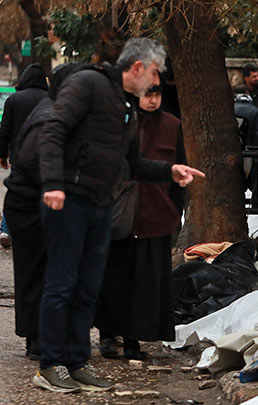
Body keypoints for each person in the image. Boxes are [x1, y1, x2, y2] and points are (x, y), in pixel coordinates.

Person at [34, 38, 205, 393]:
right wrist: (52, 183)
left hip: (100, 203)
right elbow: (53, 130)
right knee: (62, 283)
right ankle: (51, 364)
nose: (157, 80)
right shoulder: (89, 84)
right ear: (138, 67)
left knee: (87, 287)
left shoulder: (126, 104)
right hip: (67, 200)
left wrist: (168, 171)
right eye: (156, 71)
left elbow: (129, 163)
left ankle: (77, 362)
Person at [94, 84, 186, 359]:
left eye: (157, 95)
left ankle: (133, 338)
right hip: (119, 216)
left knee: (142, 283)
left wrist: (174, 209)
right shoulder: (118, 122)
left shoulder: (172, 125)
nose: (152, 100)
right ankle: (107, 335)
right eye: (147, 94)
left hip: (154, 215)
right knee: (112, 278)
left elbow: (178, 172)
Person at [3, 63, 78, 362]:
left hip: (32, 201)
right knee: (46, 272)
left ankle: (37, 337)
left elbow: (5, 131)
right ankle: (44, 338)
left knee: (34, 273)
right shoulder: (53, 115)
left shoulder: (21, 102)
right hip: (40, 201)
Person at [0, 63, 48, 248]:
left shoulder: (14, 100)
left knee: (15, 191)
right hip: (46, 155)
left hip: (20, 155)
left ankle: (6, 229)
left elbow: (5, 130)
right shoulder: (50, 99)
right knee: (43, 191)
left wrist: (2, 154)